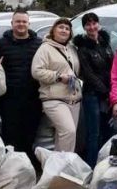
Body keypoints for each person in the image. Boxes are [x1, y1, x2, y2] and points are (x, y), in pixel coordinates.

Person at [0, 8, 43, 158]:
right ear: (12, 23)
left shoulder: (39, 44)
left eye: (24, 21)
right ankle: (11, 165)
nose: (21, 24)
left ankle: (28, 166)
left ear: (29, 23)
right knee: (11, 134)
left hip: (33, 97)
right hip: (9, 99)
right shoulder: (1, 44)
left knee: (30, 133)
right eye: (18, 21)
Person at [32, 18, 83, 154]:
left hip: (74, 99)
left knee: (66, 137)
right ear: (53, 30)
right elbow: (36, 71)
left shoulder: (71, 49)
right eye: (60, 27)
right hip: (54, 98)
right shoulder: (45, 48)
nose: (64, 30)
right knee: (68, 131)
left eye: (67, 28)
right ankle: (63, 165)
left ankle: (58, 169)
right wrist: (58, 77)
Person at [74, 13, 115, 167]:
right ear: (84, 27)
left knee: (108, 131)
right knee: (94, 133)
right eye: (88, 24)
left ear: (98, 24)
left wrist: (112, 90)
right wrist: (105, 91)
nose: (92, 27)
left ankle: (106, 165)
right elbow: (88, 74)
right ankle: (91, 167)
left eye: (94, 23)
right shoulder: (83, 47)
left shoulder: (105, 42)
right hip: (92, 94)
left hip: (109, 94)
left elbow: (113, 68)